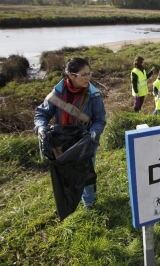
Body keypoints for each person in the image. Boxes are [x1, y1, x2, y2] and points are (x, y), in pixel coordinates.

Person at [34, 57, 106, 209]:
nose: (88, 78)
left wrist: (93, 134)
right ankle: (68, 201)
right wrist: (41, 128)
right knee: (65, 175)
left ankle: (89, 203)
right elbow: (41, 114)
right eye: (84, 74)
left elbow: (100, 120)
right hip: (62, 143)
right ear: (71, 76)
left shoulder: (94, 95)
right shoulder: (57, 94)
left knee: (85, 173)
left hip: (85, 144)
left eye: (89, 73)